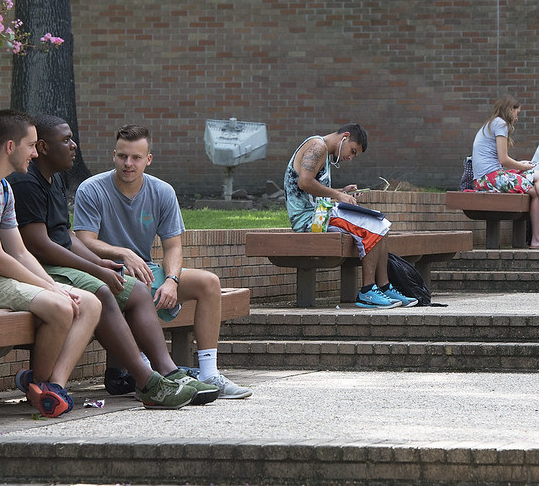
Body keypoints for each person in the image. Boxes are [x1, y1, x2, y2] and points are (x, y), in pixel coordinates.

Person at [7, 115, 214, 409]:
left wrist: (101, 264)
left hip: (65, 264)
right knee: (103, 293)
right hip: (42, 268)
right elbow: (39, 245)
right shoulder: (27, 183)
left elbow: (65, 236)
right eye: (66, 140)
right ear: (42, 146)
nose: (74, 145)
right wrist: (97, 268)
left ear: (148, 159)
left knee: (137, 290)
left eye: (136, 157)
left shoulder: (54, 178)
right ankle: (148, 383)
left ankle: (170, 373)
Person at [0, 109, 102, 418]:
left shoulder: (3, 187)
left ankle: (53, 386)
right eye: (31, 145)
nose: (35, 152)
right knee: (61, 307)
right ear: (11, 147)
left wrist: (54, 286)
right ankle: (37, 387)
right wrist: (53, 291)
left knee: (89, 303)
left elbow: (20, 252)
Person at [73, 124, 252, 399]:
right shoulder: (92, 189)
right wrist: (123, 253)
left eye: (136, 157)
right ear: (113, 155)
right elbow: (84, 240)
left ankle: (209, 373)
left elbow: (173, 246)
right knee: (137, 290)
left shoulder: (162, 191)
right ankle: (149, 374)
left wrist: (172, 280)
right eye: (122, 156)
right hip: (106, 274)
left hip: (147, 271)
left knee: (208, 283)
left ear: (149, 159)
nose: (128, 164)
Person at [284, 123, 418, 309]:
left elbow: (315, 190)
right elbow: (304, 182)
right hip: (309, 220)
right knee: (372, 226)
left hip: (320, 215)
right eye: (353, 151)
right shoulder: (317, 146)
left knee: (382, 224)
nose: (350, 157)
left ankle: (384, 287)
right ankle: (367, 292)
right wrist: (338, 195)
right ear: (344, 137)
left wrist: (342, 191)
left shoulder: (324, 152)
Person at [471, 95, 539, 249]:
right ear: (510, 110)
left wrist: (519, 164)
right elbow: (503, 159)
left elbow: (499, 160)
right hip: (489, 179)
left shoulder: (491, 124)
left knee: (537, 192)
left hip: (487, 178)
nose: (517, 118)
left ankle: (536, 238)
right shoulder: (501, 124)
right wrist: (523, 168)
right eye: (517, 113)